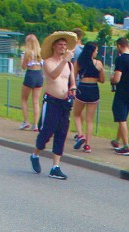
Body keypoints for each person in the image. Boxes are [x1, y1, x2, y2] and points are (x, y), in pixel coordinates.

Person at [29, 31, 77, 180]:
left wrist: (73, 90)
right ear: (54, 47)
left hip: (64, 103)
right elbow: (54, 75)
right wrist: (64, 61)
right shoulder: (48, 62)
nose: (63, 47)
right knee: (47, 131)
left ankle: (55, 166)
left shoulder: (69, 64)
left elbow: (72, 82)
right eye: (61, 45)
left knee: (61, 133)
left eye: (65, 45)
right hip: (51, 101)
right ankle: (35, 153)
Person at [72, 42, 104, 153]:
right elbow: (103, 80)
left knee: (76, 114)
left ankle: (80, 134)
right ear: (92, 51)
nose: (97, 52)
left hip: (83, 87)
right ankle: (88, 145)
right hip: (94, 88)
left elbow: (74, 76)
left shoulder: (79, 62)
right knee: (90, 119)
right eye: (96, 50)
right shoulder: (99, 63)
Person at [19, 34, 43, 130]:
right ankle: (36, 124)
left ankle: (26, 121)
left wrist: (22, 59)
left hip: (30, 74)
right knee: (36, 101)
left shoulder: (27, 53)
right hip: (39, 75)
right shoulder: (40, 53)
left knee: (24, 99)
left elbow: (24, 66)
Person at [70, 27, 86, 141]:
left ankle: (79, 133)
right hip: (85, 80)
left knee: (75, 109)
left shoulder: (73, 50)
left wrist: (72, 83)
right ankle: (80, 130)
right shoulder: (85, 49)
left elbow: (72, 67)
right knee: (81, 108)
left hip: (75, 80)